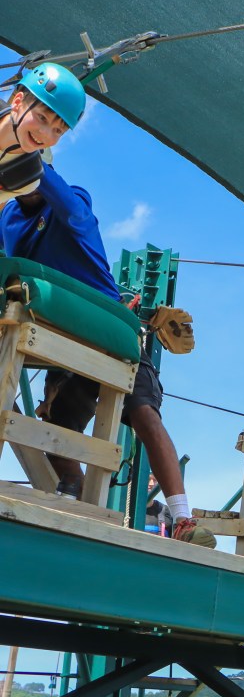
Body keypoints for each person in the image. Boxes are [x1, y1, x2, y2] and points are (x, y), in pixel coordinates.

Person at [0, 162, 216, 547]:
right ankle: (73, 486)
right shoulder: (8, 217)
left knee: (144, 414)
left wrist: (28, 157)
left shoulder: (71, 199)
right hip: (60, 327)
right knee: (56, 419)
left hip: (106, 322)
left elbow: (70, 207)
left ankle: (183, 517)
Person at [0, 63, 85, 198]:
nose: (45, 134)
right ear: (17, 102)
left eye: (58, 130)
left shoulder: (25, 176)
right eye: (42, 117)